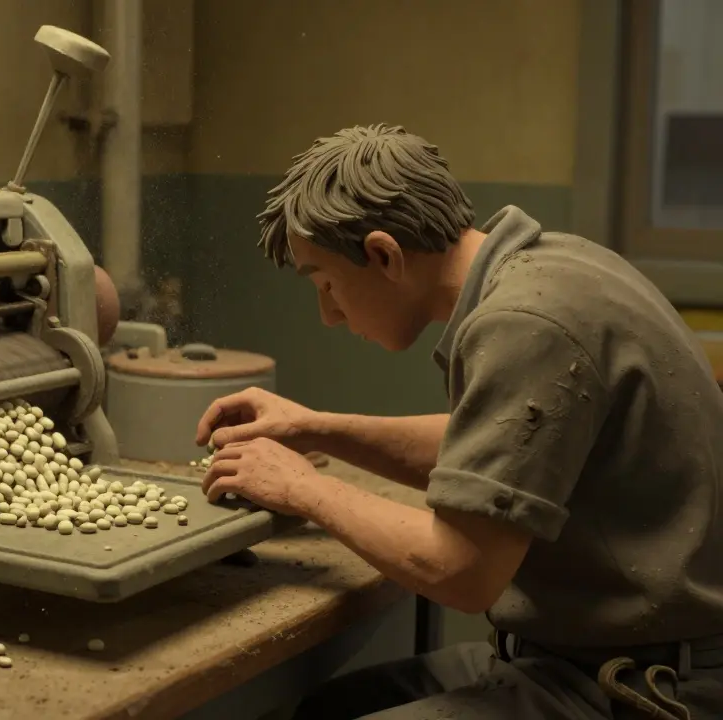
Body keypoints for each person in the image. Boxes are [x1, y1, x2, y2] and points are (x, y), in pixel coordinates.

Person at [196, 124, 723, 719]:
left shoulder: (526, 321)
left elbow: (461, 572)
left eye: (327, 284)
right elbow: (498, 454)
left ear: (383, 255)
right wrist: (315, 428)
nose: (329, 316)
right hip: (579, 654)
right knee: (327, 707)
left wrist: (303, 488)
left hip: (637, 686)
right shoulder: (549, 265)